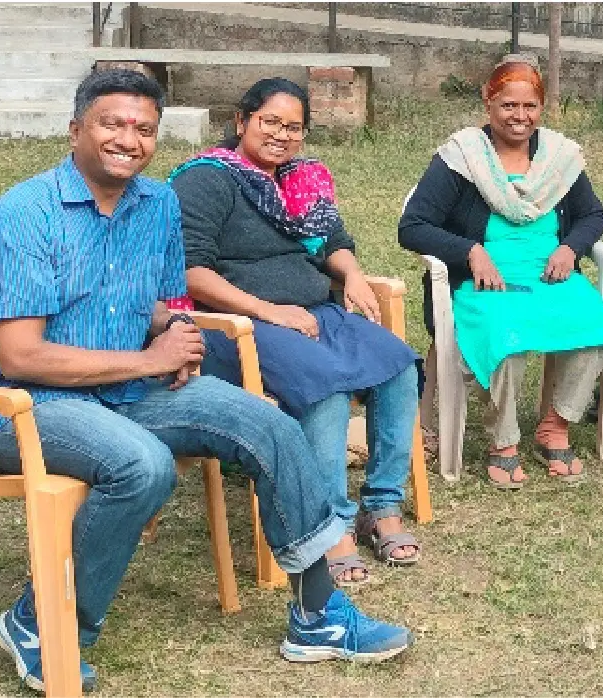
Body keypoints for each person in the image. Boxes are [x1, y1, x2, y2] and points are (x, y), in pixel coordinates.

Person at [0, 70, 410, 693]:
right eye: (112, 124)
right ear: (75, 130)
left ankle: (318, 617)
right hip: (19, 405)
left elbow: (145, 301)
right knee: (142, 465)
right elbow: (20, 355)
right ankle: (42, 624)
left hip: (120, 392)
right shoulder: (24, 214)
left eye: (144, 129)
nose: (129, 140)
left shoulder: (155, 205)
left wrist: (176, 328)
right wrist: (150, 361)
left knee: (268, 424)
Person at [171, 78, 423, 586]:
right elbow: (191, 271)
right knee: (324, 389)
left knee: (398, 367)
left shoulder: (303, 179)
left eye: (294, 127)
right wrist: (269, 311)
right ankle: (331, 527)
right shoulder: (206, 179)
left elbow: (333, 241)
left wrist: (352, 275)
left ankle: (382, 504)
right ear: (242, 121)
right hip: (236, 327)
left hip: (313, 314)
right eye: (270, 122)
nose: (282, 135)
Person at [400, 58, 603, 487]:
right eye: (508, 105)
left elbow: (592, 214)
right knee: (507, 334)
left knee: (597, 328)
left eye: (529, 106)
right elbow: (412, 226)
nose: (519, 116)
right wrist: (470, 251)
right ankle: (502, 442)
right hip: (483, 283)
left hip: (549, 278)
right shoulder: (462, 156)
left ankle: (555, 425)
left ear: (542, 107)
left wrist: (570, 247)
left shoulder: (559, 157)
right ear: (488, 102)